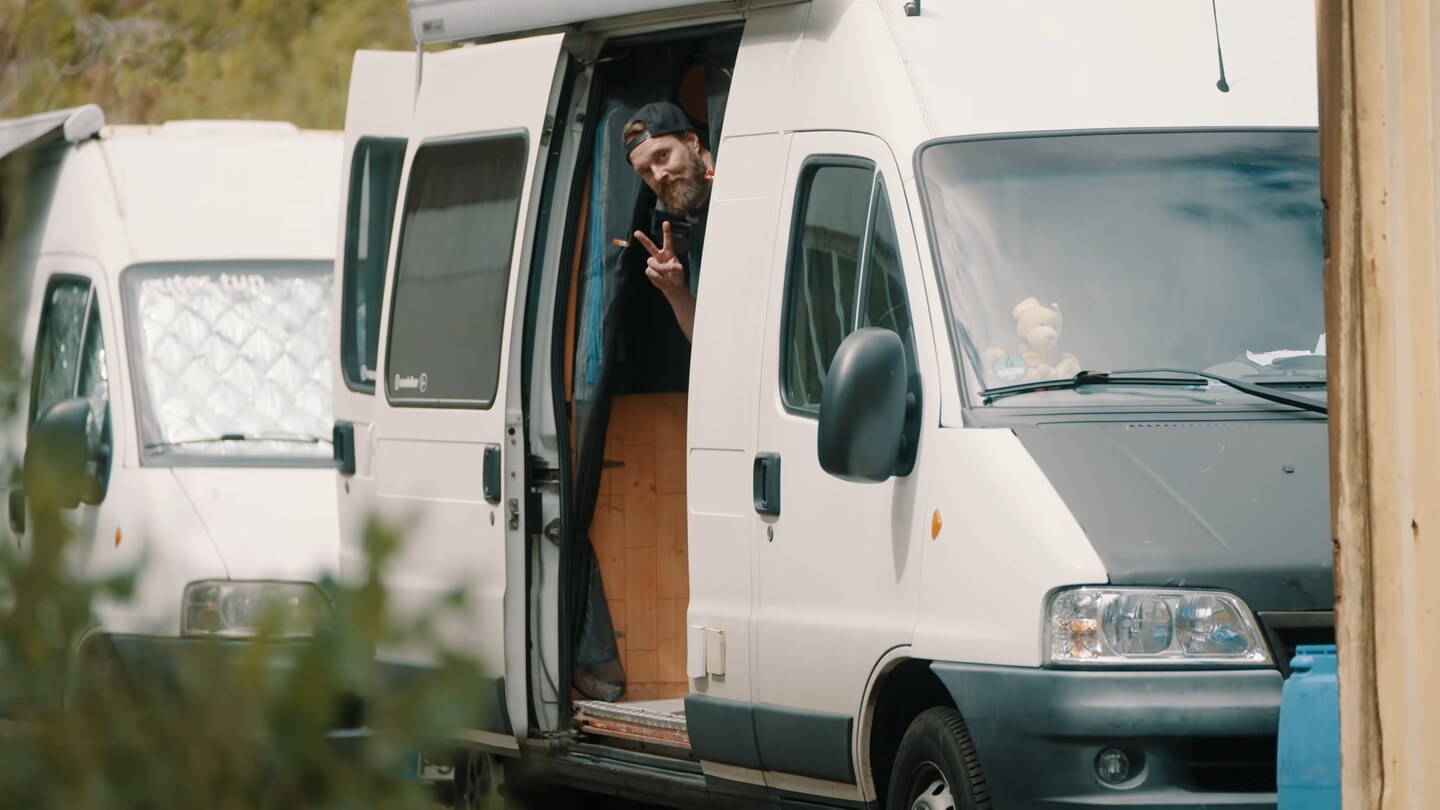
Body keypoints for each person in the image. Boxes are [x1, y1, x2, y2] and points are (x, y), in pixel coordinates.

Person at [623, 101, 716, 342]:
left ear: (693, 142)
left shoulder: (746, 188)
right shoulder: (699, 231)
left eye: (663, 155)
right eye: (645, 171)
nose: (658, 175)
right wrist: (674, 291)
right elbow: (705, 341)